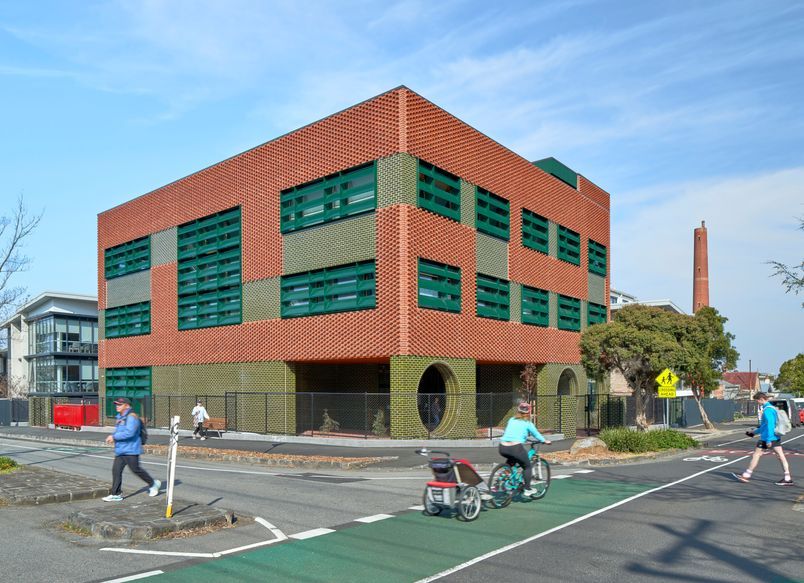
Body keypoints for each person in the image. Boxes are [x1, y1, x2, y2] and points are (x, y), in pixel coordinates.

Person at [102, 397, 161, 502]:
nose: (117, 406)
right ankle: (116, 494)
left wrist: (114, 437)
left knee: (136, 469)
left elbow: (130, 432)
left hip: (131, 449)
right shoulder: (120, 416)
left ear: (127, 405)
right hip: (121, 450)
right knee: (116, 471)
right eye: (116, 404)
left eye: (120, 404)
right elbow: (121, 431)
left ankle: (153, 484)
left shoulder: (131, 417)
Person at [733, 392, 794, 486]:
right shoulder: (772, 408)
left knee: (756, 455)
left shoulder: (767, 410)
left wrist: (768, 440)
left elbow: (769, 425)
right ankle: (787, 478)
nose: (757, 403)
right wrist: (754, 432)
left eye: (757, 401)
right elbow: (764, 426)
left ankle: (746, 475)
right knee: (780, 456)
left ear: (761, 399)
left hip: (767, 438)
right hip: (775, 437)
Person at [499, 402, 552, 497]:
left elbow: (512, 431)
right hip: (515, 447)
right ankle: (527, 488)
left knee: (511, 460)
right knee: (527, 466)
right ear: (529, 412)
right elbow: (536, 434)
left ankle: (503, 477)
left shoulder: (511, 419)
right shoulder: (527, 423)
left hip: (502, 447)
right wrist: (544, 441)